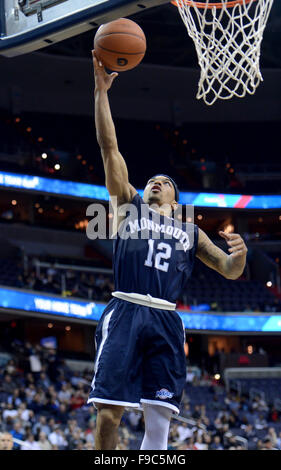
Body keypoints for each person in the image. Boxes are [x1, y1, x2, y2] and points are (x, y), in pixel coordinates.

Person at [88, 50, 248, 451]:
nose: (155, 183)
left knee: (159, 423)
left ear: (177, 201)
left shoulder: (191, 231)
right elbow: (110, 149)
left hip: (166, 320)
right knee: (109, 415)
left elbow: (229, 269)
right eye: (152, 180)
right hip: (126, 309)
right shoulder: (129, 206)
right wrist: (101, 92)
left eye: (164, 181)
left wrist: (241, 254)